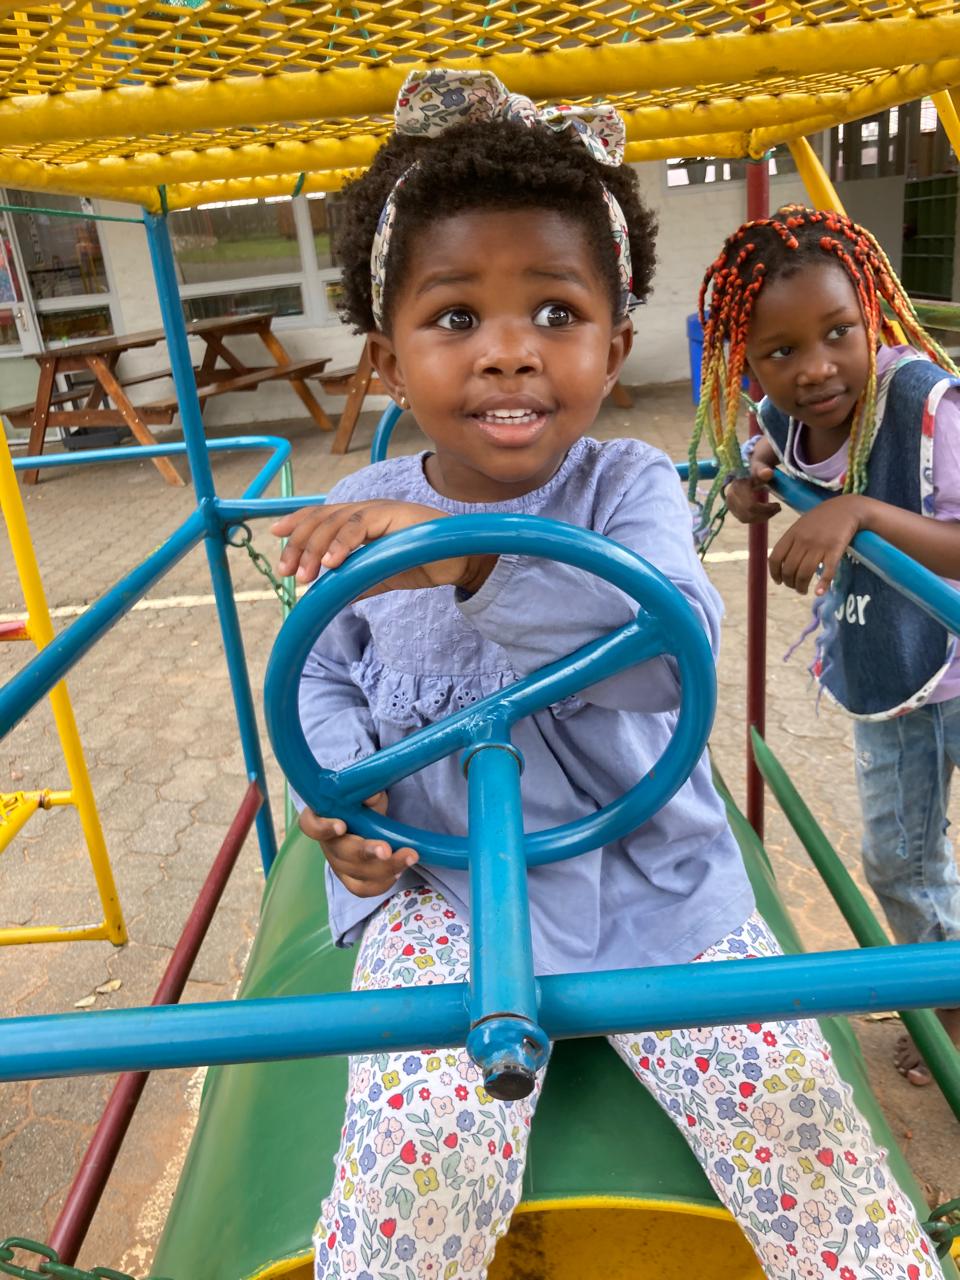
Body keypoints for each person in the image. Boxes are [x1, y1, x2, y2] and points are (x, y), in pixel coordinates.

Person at [273, 84, 946, 1280]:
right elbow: (325, 683)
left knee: (803, 1123)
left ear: (613, 343)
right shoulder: (355, 519)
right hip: (443, 880)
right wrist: (338, 812)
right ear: (385, 358)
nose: (510, 347)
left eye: (554, 308)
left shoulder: (622, 487)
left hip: (651, 879)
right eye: (455, 316)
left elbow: (663, 653)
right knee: (414, 1158)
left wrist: (466, 557)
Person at [693, 206, 960, 1088]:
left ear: (872, 314)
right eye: (779, 352)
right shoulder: (780, 416)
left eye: (838, 333)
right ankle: (952, 1010)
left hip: (949, 652)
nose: (814, 369)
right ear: (747, 359)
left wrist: (864, 512)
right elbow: (752, 463)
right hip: (896, 675)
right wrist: (747, 488)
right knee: (899, 861)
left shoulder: (928, 410)